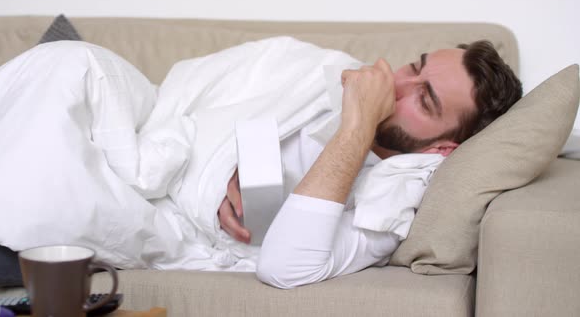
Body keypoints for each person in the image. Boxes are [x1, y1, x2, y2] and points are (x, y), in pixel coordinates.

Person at [216, 40, 523, 288]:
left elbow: (282, 268)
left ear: (442, 147)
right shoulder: (334, 74)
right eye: (415, 67)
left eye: (424, 100)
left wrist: (359, 124)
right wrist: (217, 172)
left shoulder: (392, 204)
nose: (399, 85)